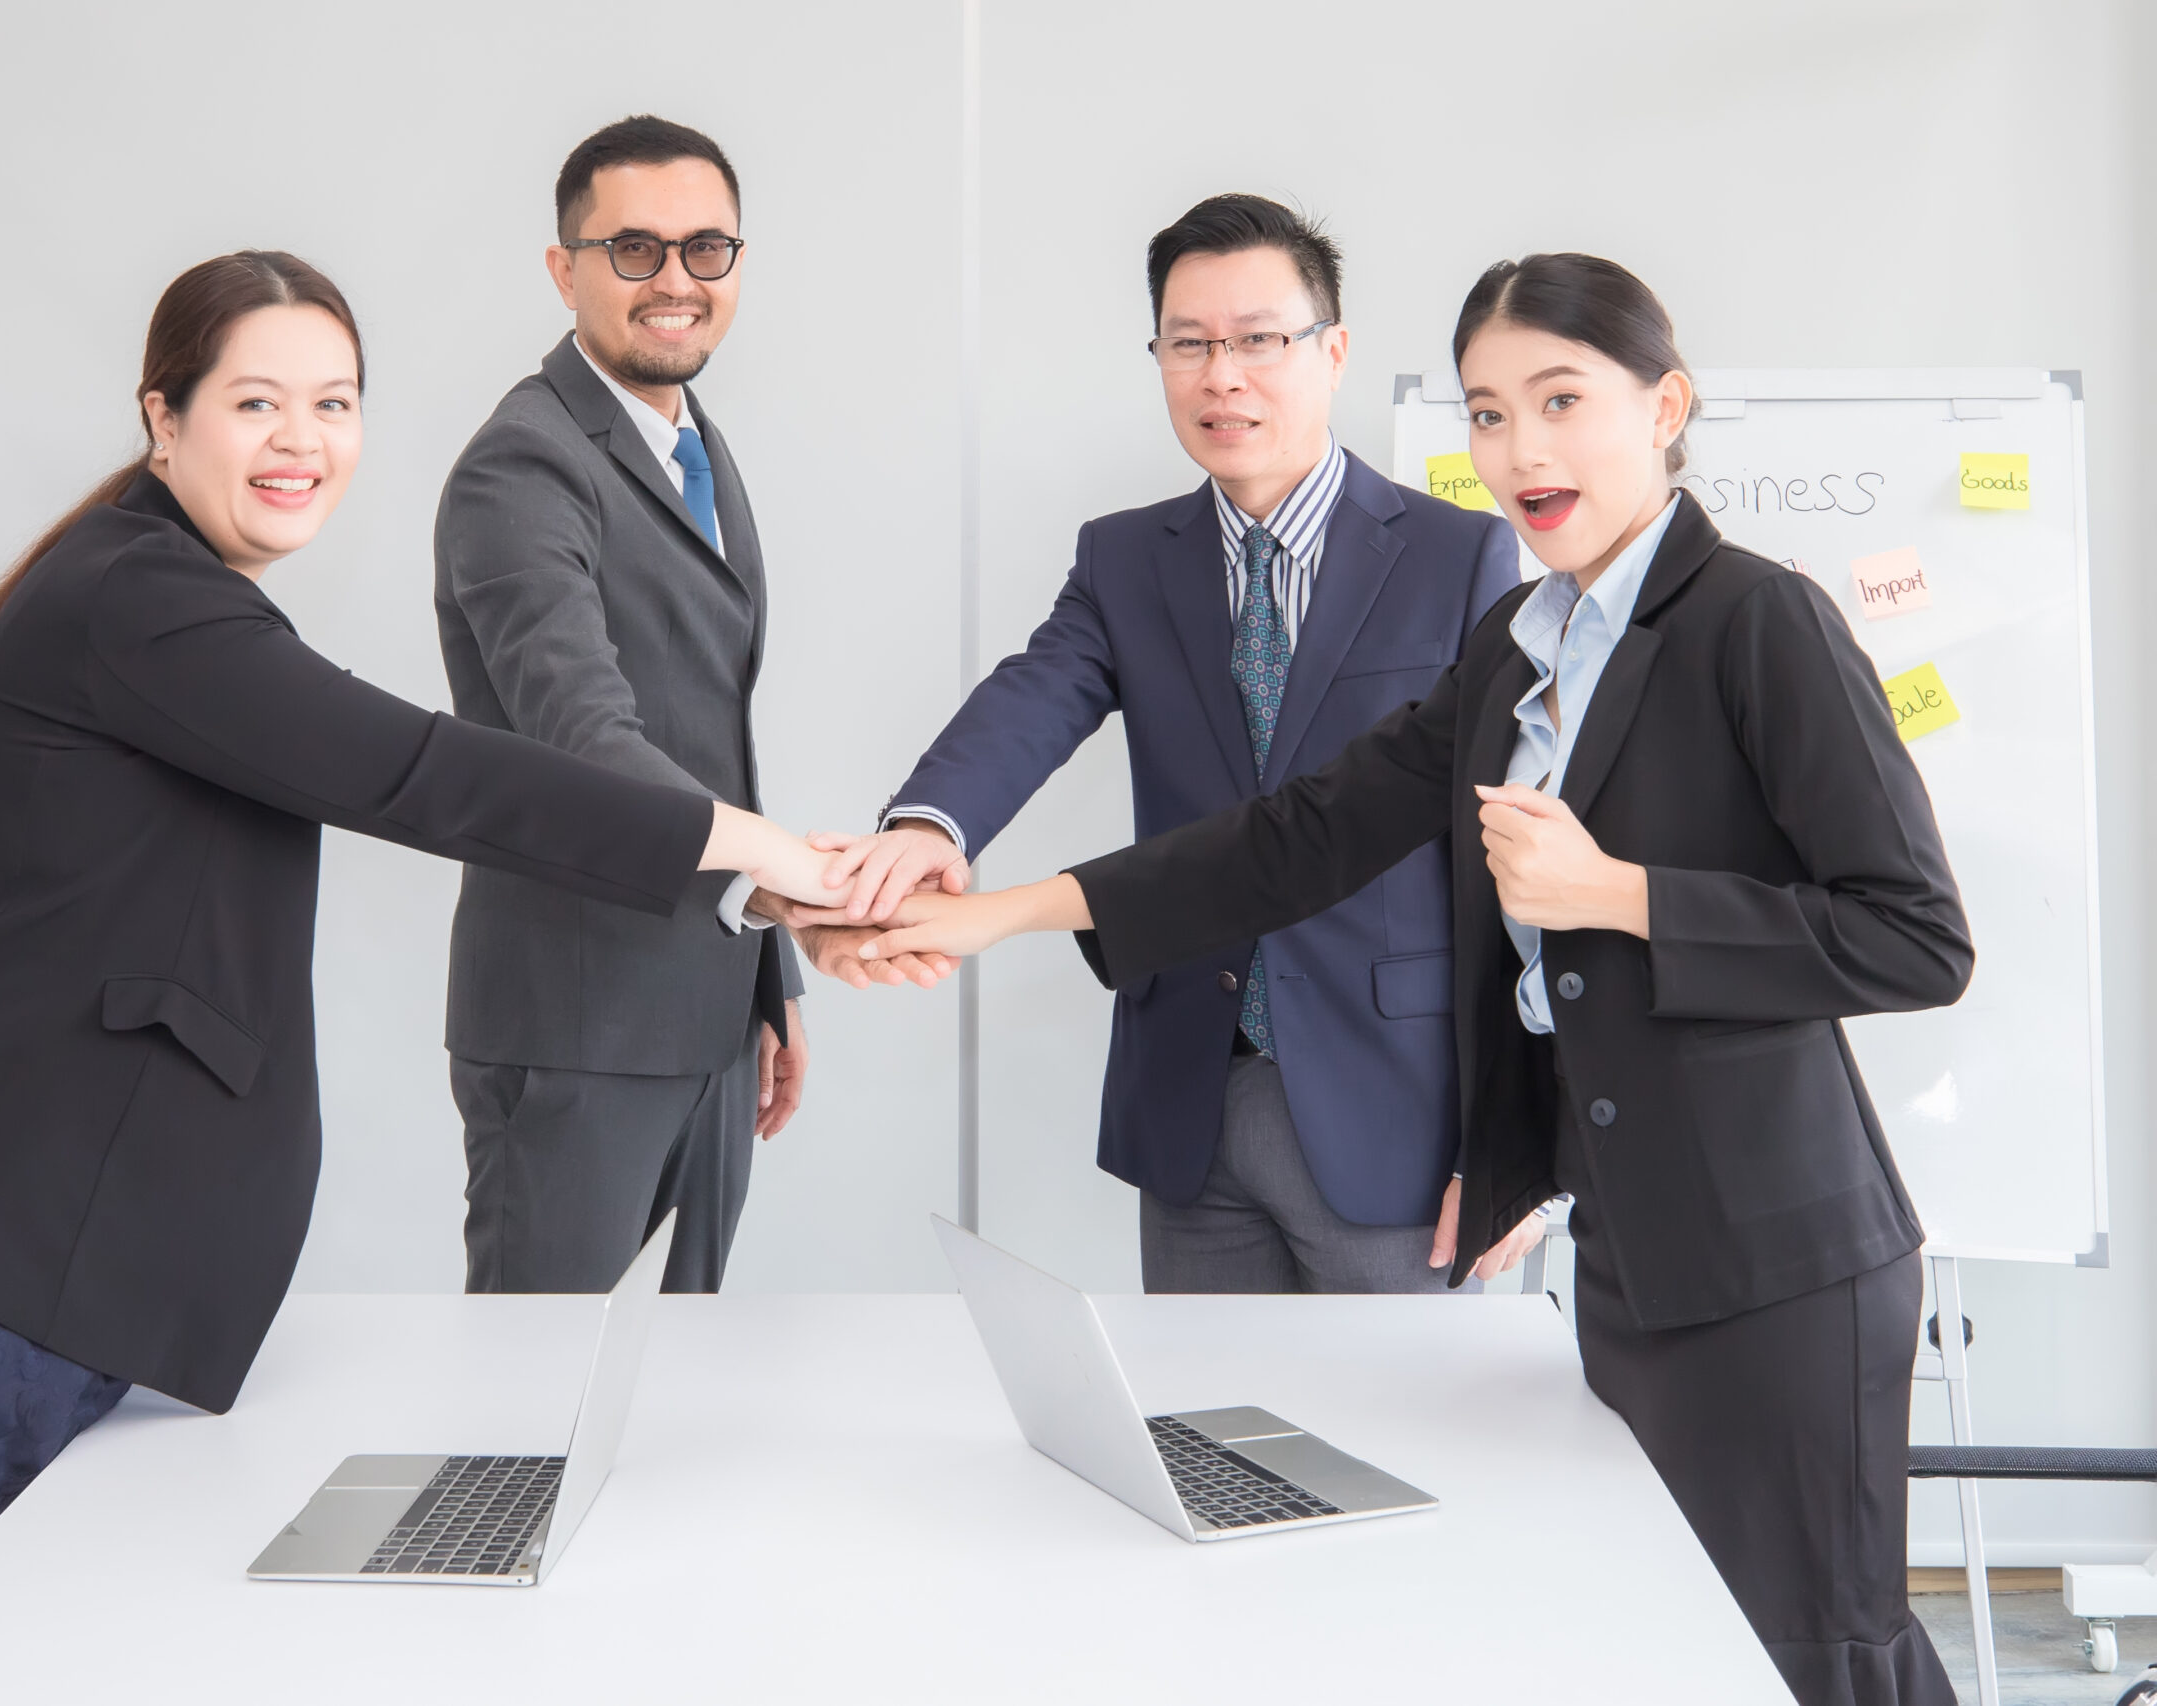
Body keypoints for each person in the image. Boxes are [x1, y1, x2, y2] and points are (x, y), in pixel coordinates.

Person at [0, 250, 837, 1679]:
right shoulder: (142, 602)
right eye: (256, 401)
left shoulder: (155, 588)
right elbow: (418, 772)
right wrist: (763, 850)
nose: (302, 441)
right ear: (164, 419)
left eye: (334, 402)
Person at [824, 254, 1970, 1705]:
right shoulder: (1518, 650)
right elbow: (1298, 840)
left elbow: (1914, 934)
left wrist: (1612, 893)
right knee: (1669, 1640)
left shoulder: (1758, 620)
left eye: (1561, 401)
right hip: (1630, 1246)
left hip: (1777, 1255)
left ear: (1665, 403)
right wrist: (998, 915)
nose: (1522, 453)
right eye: (1490, 415)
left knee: (1813, 1648)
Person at [790, 195, 1525, 1295]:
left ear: (1332, 352)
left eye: (1258, 340)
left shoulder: (1461, 557)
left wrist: (1513, 1137)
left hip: (1401, 1108)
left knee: (1410, 1452)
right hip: (1190, 1091)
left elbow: (1511, 864)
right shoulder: (1126, 558)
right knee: (1214, 1448)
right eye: (1189, 344)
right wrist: (921, 828)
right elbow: (1033, 698)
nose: (1221, 374)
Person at [434, 115, 933, 1295]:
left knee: (678, 1393)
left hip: (707, 1013)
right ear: (563, 268)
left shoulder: (687, 440)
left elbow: (708, 734)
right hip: (579, 1027)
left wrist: (768, 977)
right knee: (536, 1407)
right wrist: (788, 882)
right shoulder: (524, 463)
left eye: (707, 249)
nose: (676, 281)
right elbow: (586, 737)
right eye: (635, 250)